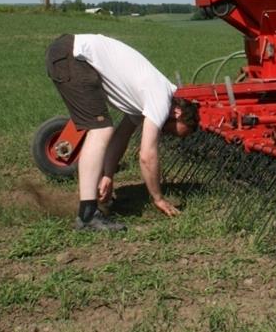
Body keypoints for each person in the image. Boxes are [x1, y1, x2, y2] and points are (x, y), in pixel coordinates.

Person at [45, 32, 199, 231]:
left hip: (67, 54)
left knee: (103, 130)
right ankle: (87, 217)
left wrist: (109, 174)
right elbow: (146, 156)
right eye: (175, 131)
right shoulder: (160, 97)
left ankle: (88, 210)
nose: (168, 134)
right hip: (73, 57)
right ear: (177, 112)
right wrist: (158, 198)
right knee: (100, 130)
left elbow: (122, 137)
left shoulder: (146, 99)